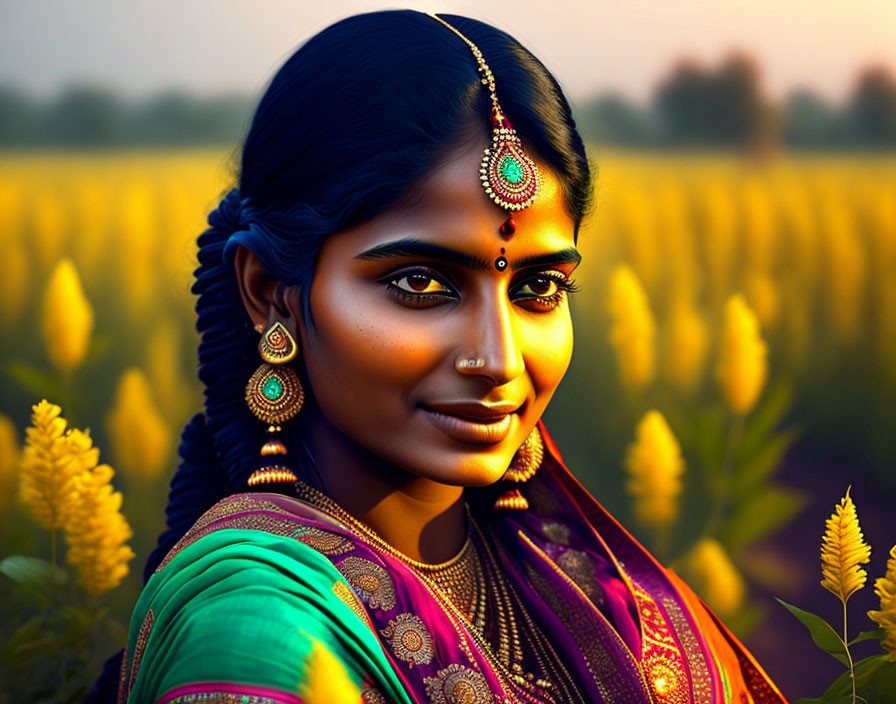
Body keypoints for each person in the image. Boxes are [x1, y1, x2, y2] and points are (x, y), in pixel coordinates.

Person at [100, 10, 787, 703]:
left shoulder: (557, 575)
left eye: (539, 287)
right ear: (271, 294)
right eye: (422, 284)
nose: (499, 357)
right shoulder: (256, 638)